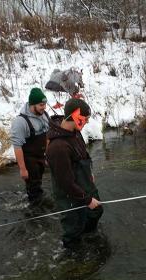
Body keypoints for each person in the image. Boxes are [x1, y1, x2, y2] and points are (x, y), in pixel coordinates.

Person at [46, 98, 103, 249]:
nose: (87, 123)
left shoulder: (76, 133)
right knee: (73, 228)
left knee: (96, 211)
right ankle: (73, 257)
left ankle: (89, 237)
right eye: (85, 119)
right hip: (69, 194)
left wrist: (89, 172)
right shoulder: (58, 147)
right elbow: (65, 183)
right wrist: (87, 200)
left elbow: (84, 154)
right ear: (76, 117)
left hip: (84, 183)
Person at [10, 88, 50, 204]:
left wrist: (47, 155)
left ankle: (37, 203)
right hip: (29, 160)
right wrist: (23, 169)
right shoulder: (20, 122)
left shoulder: (44, 115)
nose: (44, 107)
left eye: (45, 104)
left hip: (41, 156)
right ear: (32, 104)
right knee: (34, 188)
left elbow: (47, 135)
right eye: (41, 105)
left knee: (38, 183)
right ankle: (35, 213)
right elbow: (17, 146)